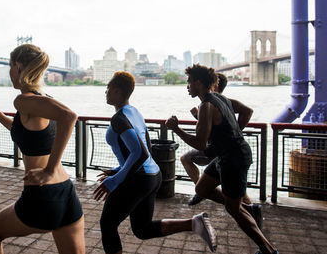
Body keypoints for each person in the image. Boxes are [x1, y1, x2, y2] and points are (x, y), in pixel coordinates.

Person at [93, 71, 217, 254]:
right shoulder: (134, 112)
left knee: (107, 224)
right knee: (142, 229)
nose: (106, 91)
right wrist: (118, 170)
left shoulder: (119, 119)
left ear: (118, 91)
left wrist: (116, 179)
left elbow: (140, 153)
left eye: (108, 88)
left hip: (138, 179)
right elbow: (147, 151)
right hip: (152, 176)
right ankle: (194, 223)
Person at [0, 44, 84, 254]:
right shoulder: (43, 99)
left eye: (9, 66)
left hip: (42, 194)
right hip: (65, 191)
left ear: (18, 67)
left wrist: (49, 170)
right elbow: (25, 134)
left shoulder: (23, 100)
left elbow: (70, 117)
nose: (9, 72)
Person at [165, 64, 277, 254]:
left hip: (234, 159)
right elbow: (247, 111)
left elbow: (200, 144)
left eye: (189, 82)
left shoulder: (206, 105)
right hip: (226, 155)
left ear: (198, 83)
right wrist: (232, 135)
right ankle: (246, 209)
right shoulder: (221, 98)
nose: (187, 86)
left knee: (234, 210)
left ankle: (268, 249)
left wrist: (176, 129)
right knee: (201, 188)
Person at [181, 73, 253, 207]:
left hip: (223, 152)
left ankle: (247, 207)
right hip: (224, 151)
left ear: (214, 84)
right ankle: (203, 191)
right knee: (234, 189)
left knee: (235, 194)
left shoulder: (216, 102)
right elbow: (214, 127)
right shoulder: (218, 101)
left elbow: (202, 141)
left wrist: (233, 133)